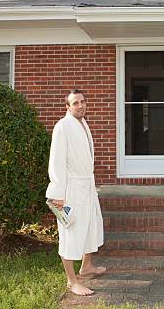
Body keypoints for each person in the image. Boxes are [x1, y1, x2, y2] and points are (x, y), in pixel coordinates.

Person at [46, 89, 106, 296]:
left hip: (86, 185)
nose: (80, 106)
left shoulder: (83, 123)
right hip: (69, 189)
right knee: (70, 233)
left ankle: (87, 266)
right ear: (67, 107)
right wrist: (58, 193)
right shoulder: (63, 127)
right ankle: (72, 281)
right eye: (75, 103)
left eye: (82, 101)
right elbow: (56, 162)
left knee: (90, 225)